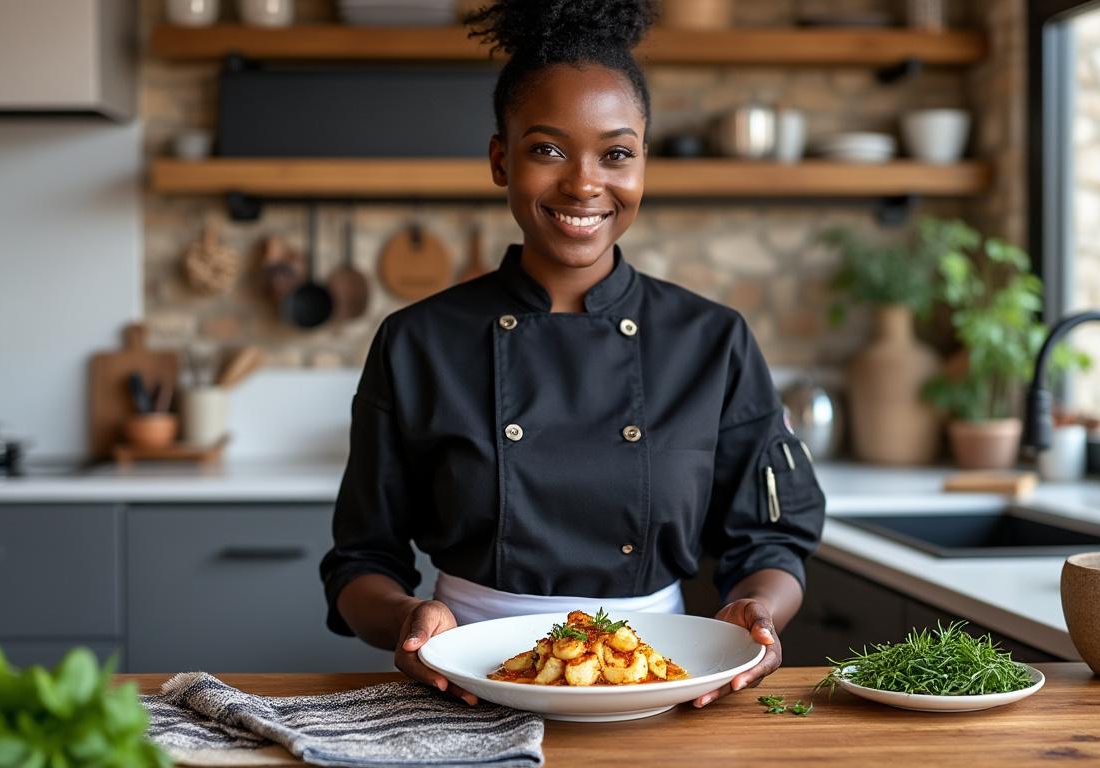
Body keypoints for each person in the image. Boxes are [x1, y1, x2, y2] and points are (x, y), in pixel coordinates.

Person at [319, 0, 825, 709]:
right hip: (465, 678)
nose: (585, 184)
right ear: (502, 159)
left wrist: (757, 611)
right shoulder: (418, 341)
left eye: (616, 153)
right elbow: (360, 564)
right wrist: (409, 623)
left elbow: (768, 543)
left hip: (659, 677)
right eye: (548, 149)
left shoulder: (712, 340)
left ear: (643, 162)